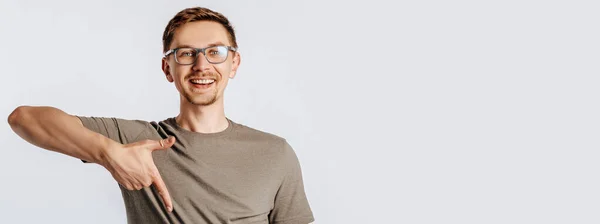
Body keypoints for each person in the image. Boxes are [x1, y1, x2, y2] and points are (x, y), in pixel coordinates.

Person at [8, 6, 314, 224]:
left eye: (216, 52)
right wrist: (108, 153)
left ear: (234, 64)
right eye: (186, 53)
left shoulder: (275, 153)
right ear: (168, 68)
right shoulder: (138, 141)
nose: (201, 65)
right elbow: (24, 119)